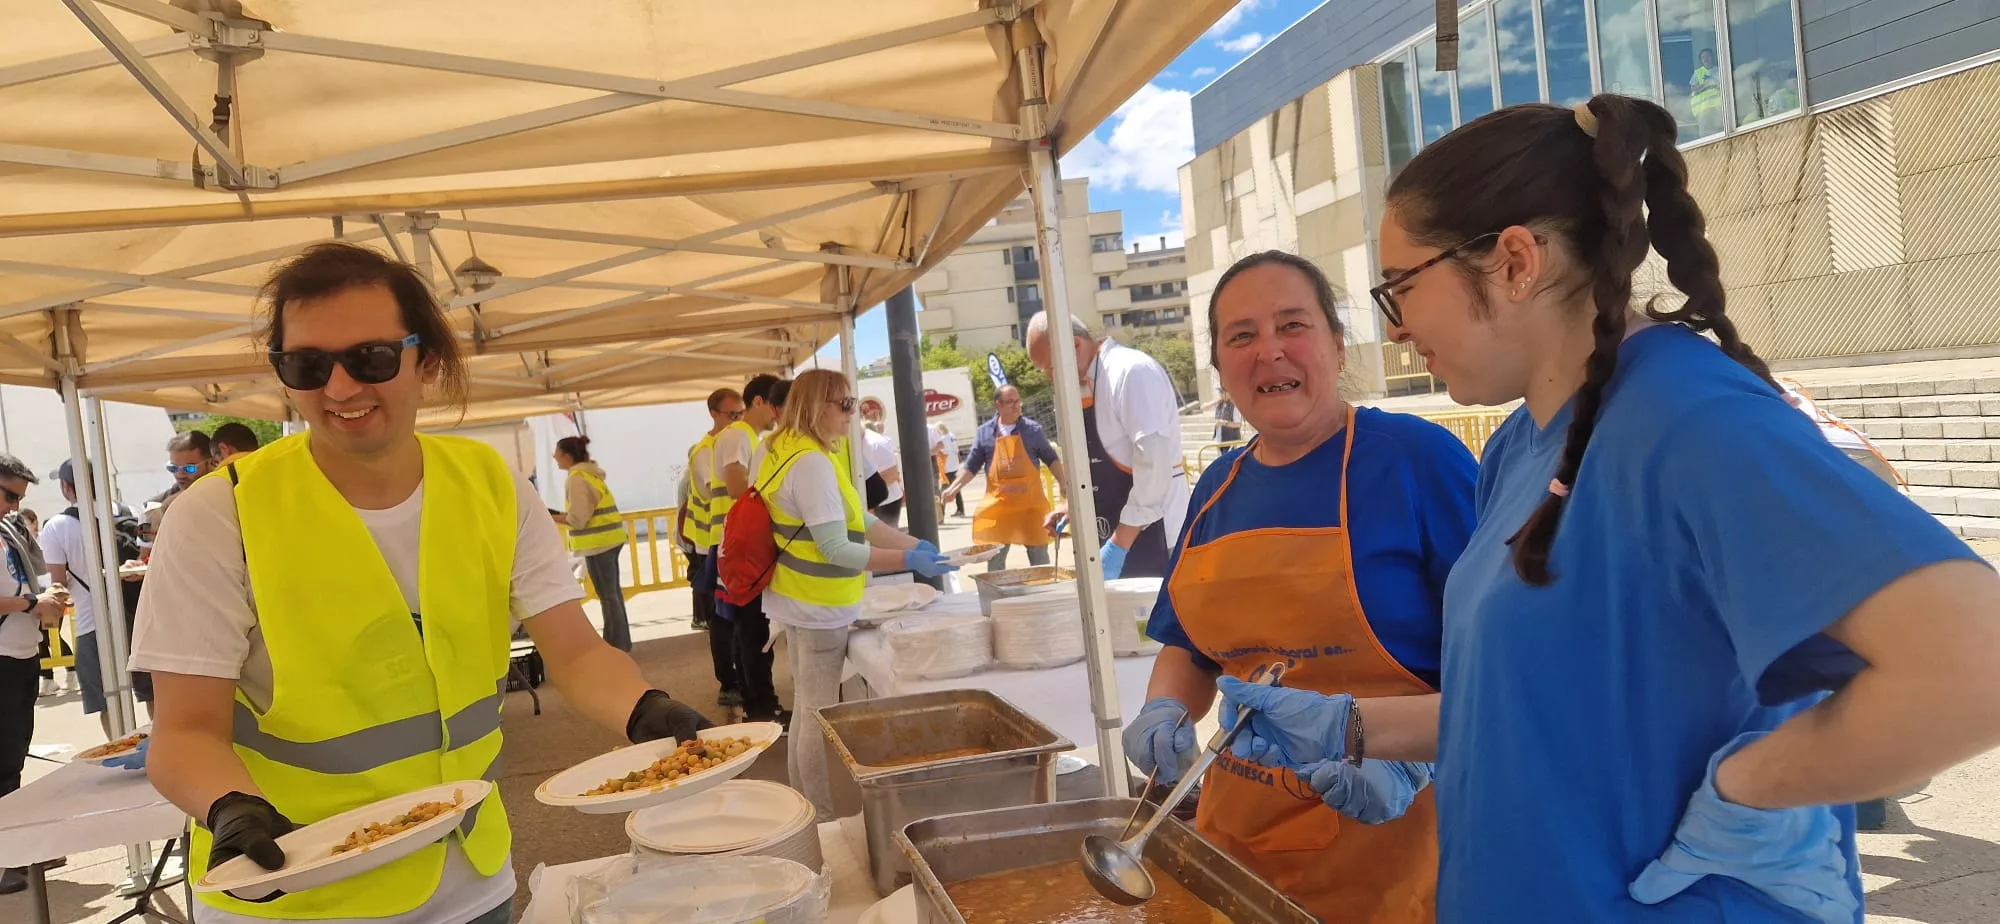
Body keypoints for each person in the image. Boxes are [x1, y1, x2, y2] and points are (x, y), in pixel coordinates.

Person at [1225, 96, 2000, 922]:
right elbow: (1553, 699)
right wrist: (1357, 732)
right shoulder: (1519, 448)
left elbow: (1973, 664)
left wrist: (1753, 789)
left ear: (1516, 261)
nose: (1399, 328)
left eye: (1400, 289)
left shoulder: (1691, 419)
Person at [128, 241, 712, 923]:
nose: (341, 389)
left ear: (425, 362)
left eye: (371, 359)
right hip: (294, 893)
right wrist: (232, 808)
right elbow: (184, 732)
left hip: (469, 878)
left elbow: (577, 654)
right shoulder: (219, 513)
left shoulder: (491, 485)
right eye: (308, 365)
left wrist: (644, 707)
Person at [1124, 252, 1476, 921]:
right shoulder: (1215, 487)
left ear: (1337, 345)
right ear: (1221, 368)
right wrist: (1163, 710)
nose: (1270, 351)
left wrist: (1413, 762)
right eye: (1242, 336)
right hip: (1239, 845)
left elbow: (1509, 663)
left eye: (1293, 325)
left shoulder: (1416, 462)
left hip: (1395, 851)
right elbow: (1189, 646)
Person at [753, 369, 955, 819]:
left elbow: (858, 519)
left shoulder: (784, 448)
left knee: (807, 709)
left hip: (797, 600)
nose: (853, 413)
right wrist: (908, 563)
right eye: (843, 404)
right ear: (814, 407)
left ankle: (805, 808)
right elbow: (838, 549)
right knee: (816, 715)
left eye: (853, 402)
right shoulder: (811, 463)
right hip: (818, 605)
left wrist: (911, 544)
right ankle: (819, 816)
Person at [1025, 312, 1189, 579]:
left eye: (1051, 369)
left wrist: (1118, 546)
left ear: (1075, 345)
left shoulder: (1130, 371)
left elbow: (1153, 464)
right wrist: (1072, 506)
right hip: (1111, 534)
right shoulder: (1077, 390)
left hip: (1159, 540)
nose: (1050, 379)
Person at [0, 453, 72, 895]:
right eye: (8, 495)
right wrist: (31, 604)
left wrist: (44, 595)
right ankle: (8, 855)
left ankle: (15, 847)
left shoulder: (9, 529)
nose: (13, 505)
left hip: (20, 652)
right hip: (5, 654)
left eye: (19, 498)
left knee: (12, 761)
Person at [42, 459, 154, 738]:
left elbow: (59, 584)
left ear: (67, 487)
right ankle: (163, 750)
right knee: (155, 693)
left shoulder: (57, 526)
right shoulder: (134, 513)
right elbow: (147, 558)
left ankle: (121, 752)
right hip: (140, 619)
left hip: (94, 624)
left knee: (109, 700)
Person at [713, 373, 787, 725]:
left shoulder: (746, 436)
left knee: (747, 626)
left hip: (738, 545)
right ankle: (762, 706)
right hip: (742, 546)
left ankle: (757, 700)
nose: (776, 414)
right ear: (759, 402)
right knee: (751, 627)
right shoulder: (740, 435)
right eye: (774, 405)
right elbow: (736, 486)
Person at [940, 385, 1068, 572]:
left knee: (1040, 564)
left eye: (1018, 401)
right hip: (1000, 509)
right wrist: (953, 488)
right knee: (996, 563)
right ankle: (997, 598)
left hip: (1030, 508)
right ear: (997, 405)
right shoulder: (984, 433)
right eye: (1010, 402)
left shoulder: (1033, 430)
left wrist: (1063, 482)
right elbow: (971, 466)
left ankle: (1043, 595)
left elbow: (1051, 458)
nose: (1016, 406)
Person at [681, 388, 744, 708]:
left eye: (741, 414)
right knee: (721, 617)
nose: (738, 420)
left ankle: (738, 676)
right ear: (714, 414)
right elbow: (712, 492)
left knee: (733, 615)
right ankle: (728, 683)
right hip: (710, 546)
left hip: (724, 541)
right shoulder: (706, 451)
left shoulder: (732, 444)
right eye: (732, 415)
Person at [554, 436, 631, 652]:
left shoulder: (576, 479)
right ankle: (621, 642)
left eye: (557, 453)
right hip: (610, 539)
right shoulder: (591, 474)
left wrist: (551, 516)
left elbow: (578, 519)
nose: (555, 457)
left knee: (608, 596)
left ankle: (615, 645)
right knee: (613, 593)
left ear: (567, 456)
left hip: (599, 543)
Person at [148, 430, 214, 537]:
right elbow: (144, 550)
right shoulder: (165, 499)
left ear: (211, 463)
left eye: (189, 468)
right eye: (173, 468)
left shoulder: (224, 493)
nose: (180, 475)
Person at [861, 421, 904, 527]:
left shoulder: (875, 442)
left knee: (886, 540)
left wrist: (867, 499)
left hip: (886, 502)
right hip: (876, 501)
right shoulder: (864, 440)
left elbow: (892, 474)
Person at [930, 422, 964, 519]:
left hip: (947, 466)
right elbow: (956, 450)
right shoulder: (951, 436)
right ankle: (960, 509)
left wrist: (935, 452)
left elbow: (942, 451)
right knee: (956, 488)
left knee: (943, 490)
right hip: (954, 464)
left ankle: (941, 513)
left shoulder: (943, 439)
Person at [1691, 48, 1723, 135]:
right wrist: (1707, 84)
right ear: (1701, 60)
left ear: (1712, 57)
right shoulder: (1698, 73)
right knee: (1706, 133)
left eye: (1708, 56)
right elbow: (1693, 88)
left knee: (1720, 131)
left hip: (1719, 107)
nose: (1706, 59)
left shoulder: (1719, 70)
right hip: (1704, 109)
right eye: (1703, 57)